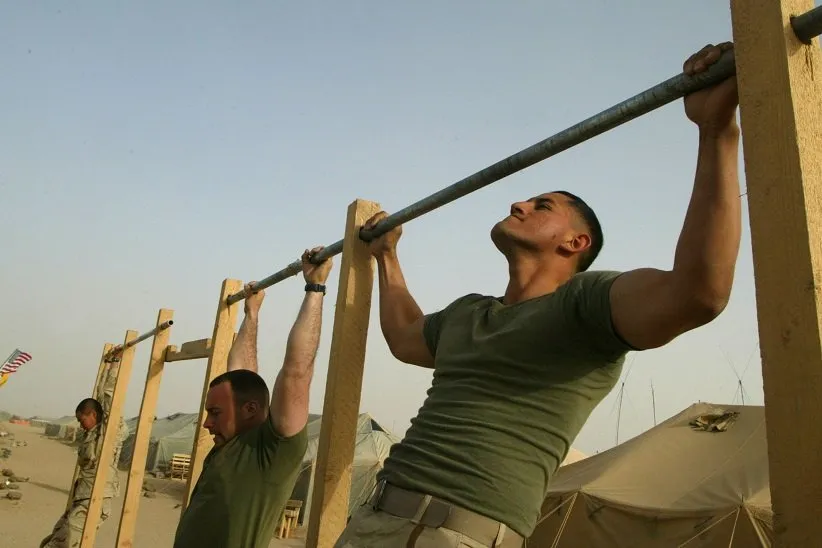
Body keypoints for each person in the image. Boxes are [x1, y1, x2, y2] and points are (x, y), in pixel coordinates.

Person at [334, 42, 742, 548]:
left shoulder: (584, 305)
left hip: (457, 536)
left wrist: (715, 131)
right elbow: (403, 337)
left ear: (575, 243)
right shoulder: (468, 313)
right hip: (371, 523)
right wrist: (386, 256)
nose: (518, 203)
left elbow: (698, 293)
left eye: (542, 205)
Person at [173, 247, 333, 548]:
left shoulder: (271, 451)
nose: (206, 423)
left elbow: (296, 373)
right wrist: (252, 314)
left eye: (215, 413)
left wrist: (315, 288)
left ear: (250, 409)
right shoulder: (230, 443)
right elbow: (240, 375)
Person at [41, 358, 130, 548]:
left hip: (96, 498)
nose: (81, 425)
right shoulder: (91, 433)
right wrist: (106, 365)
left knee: (62, 543)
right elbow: (99, 395)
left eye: (82, 420)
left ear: (94, 415)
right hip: (82, 496)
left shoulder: (109, 431)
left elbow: (109, 398)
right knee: (52, 538)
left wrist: (115, 367)